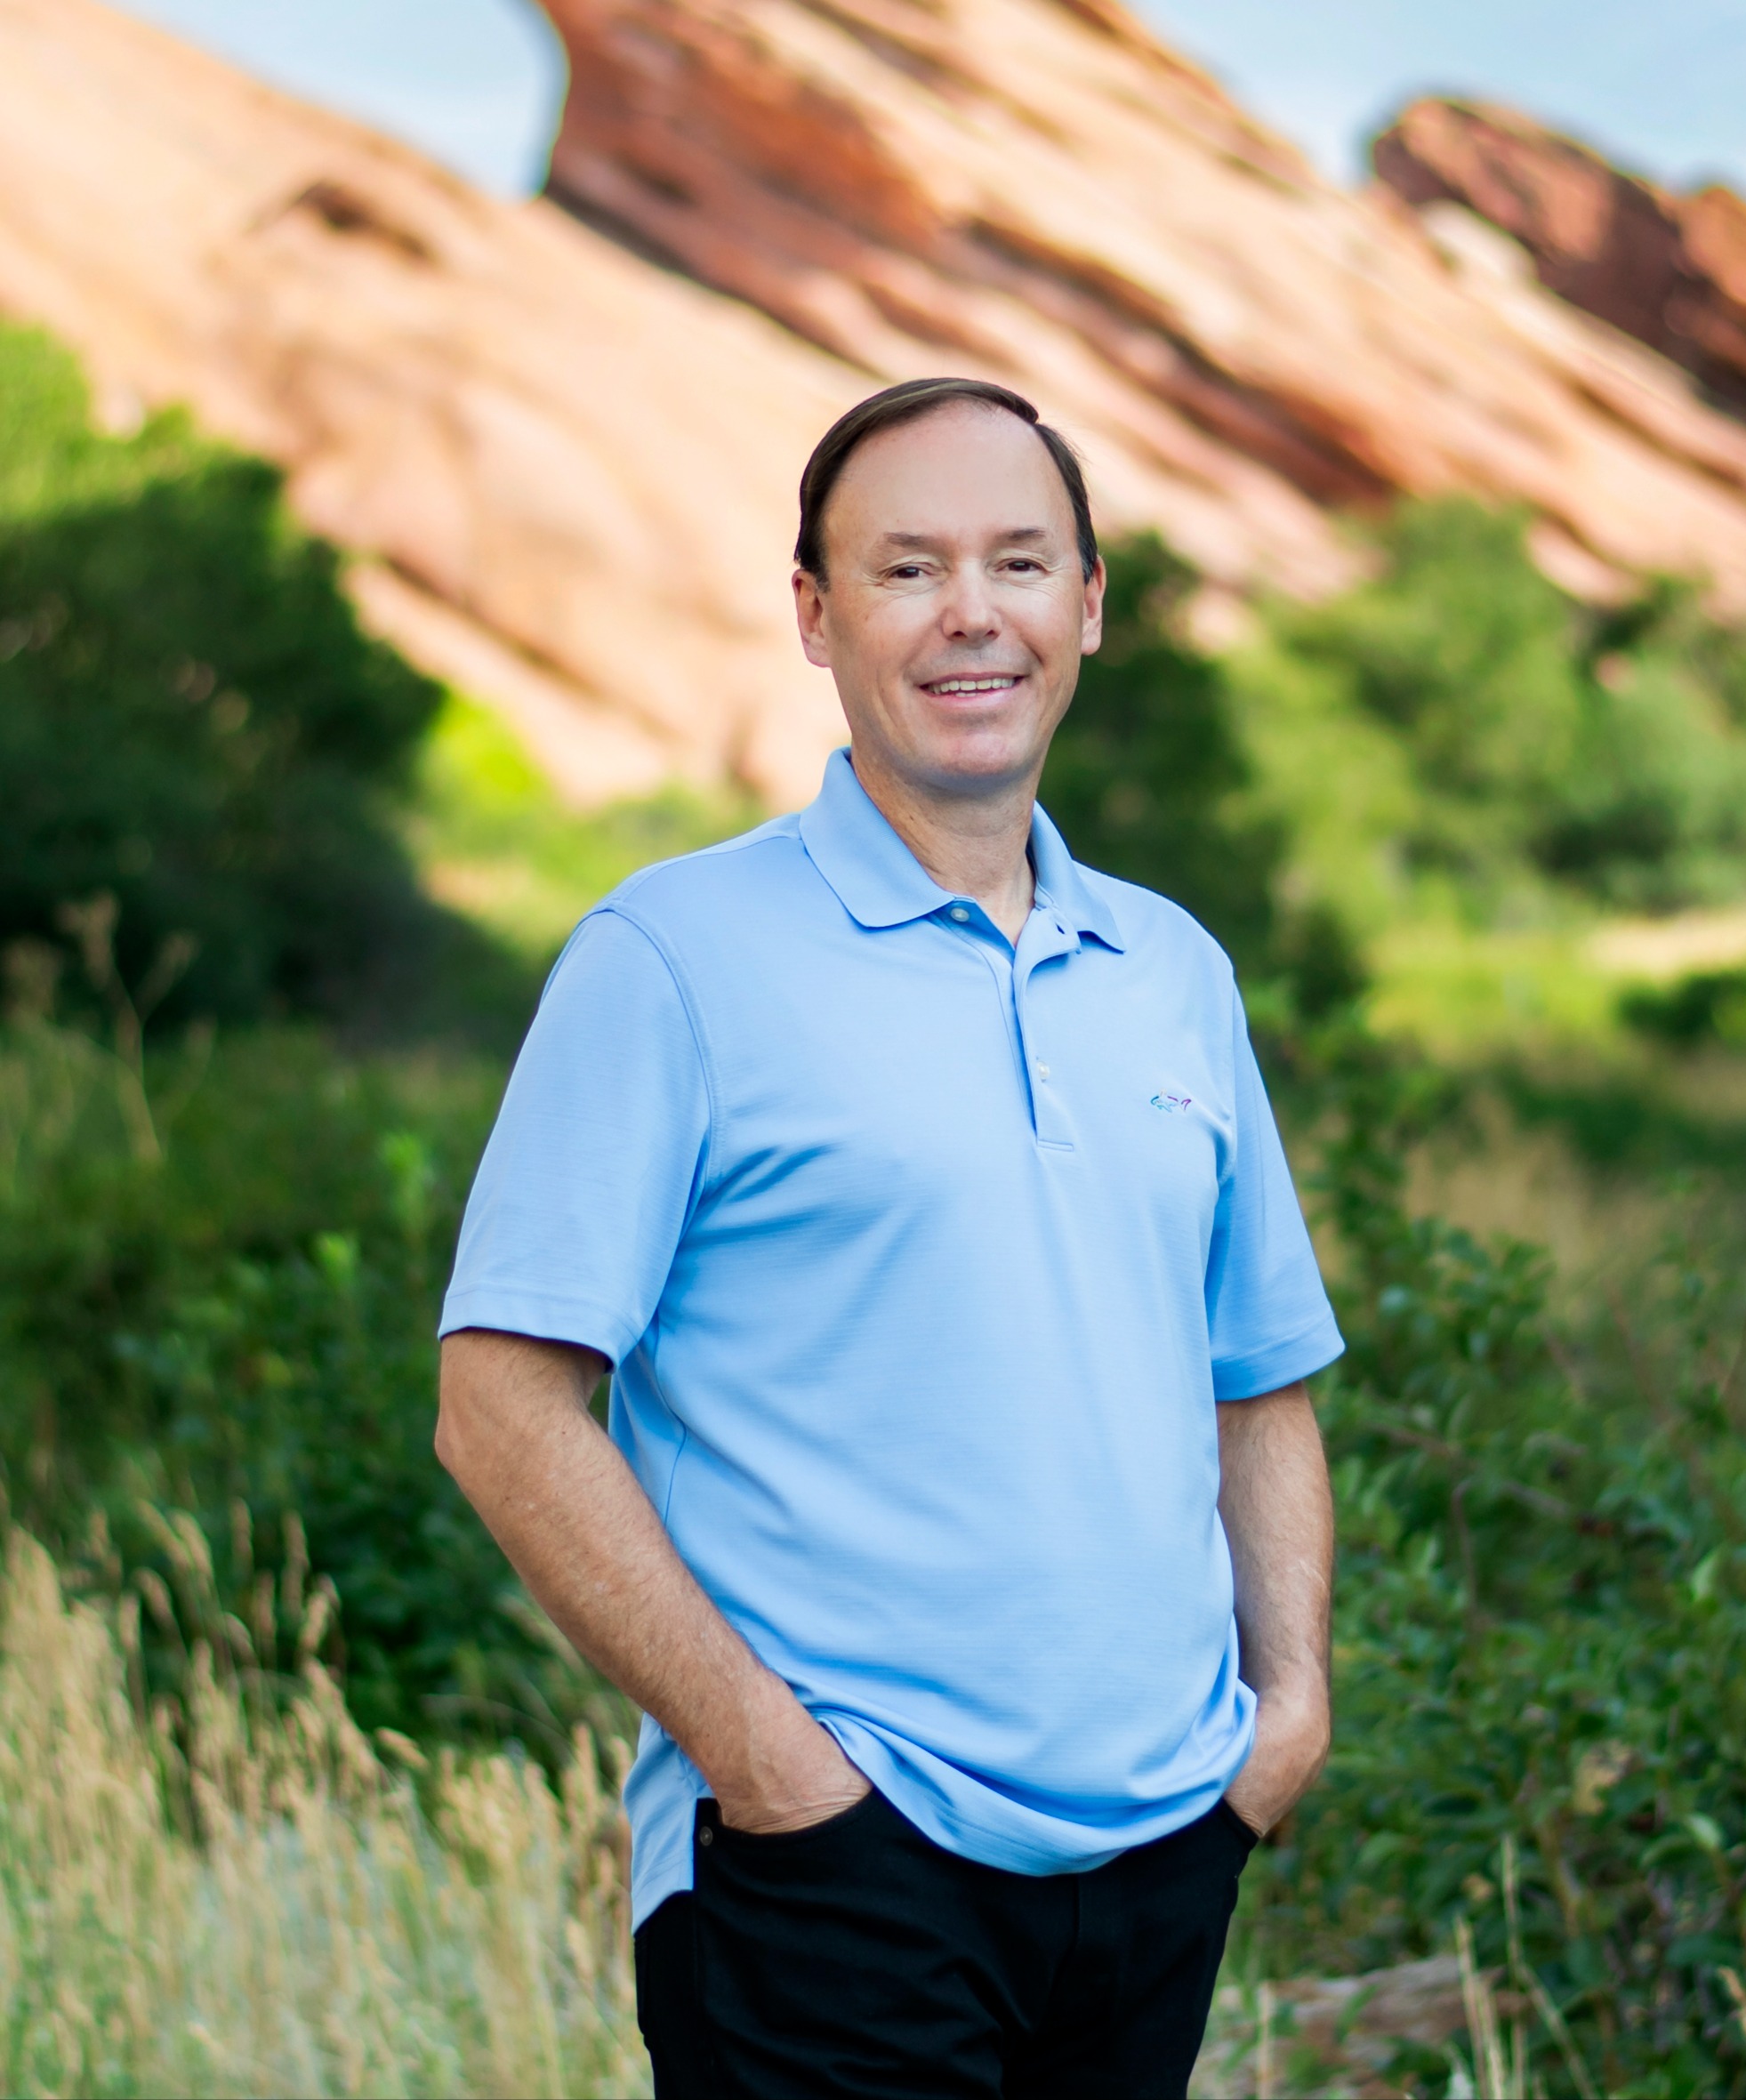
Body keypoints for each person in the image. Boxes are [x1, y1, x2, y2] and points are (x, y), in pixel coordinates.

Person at [434, 375, 1342, 2099]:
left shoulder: (1170, 968)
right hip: (836, 1866)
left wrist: (1280, 1710)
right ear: (813, 612)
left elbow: (1257, 1377)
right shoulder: (670, 951)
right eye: (905, 566)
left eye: (1016, 559)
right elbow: (498, 1404)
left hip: (1161, 1848)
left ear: (1088, 602)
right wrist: (768, 1763)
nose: (968, 613)